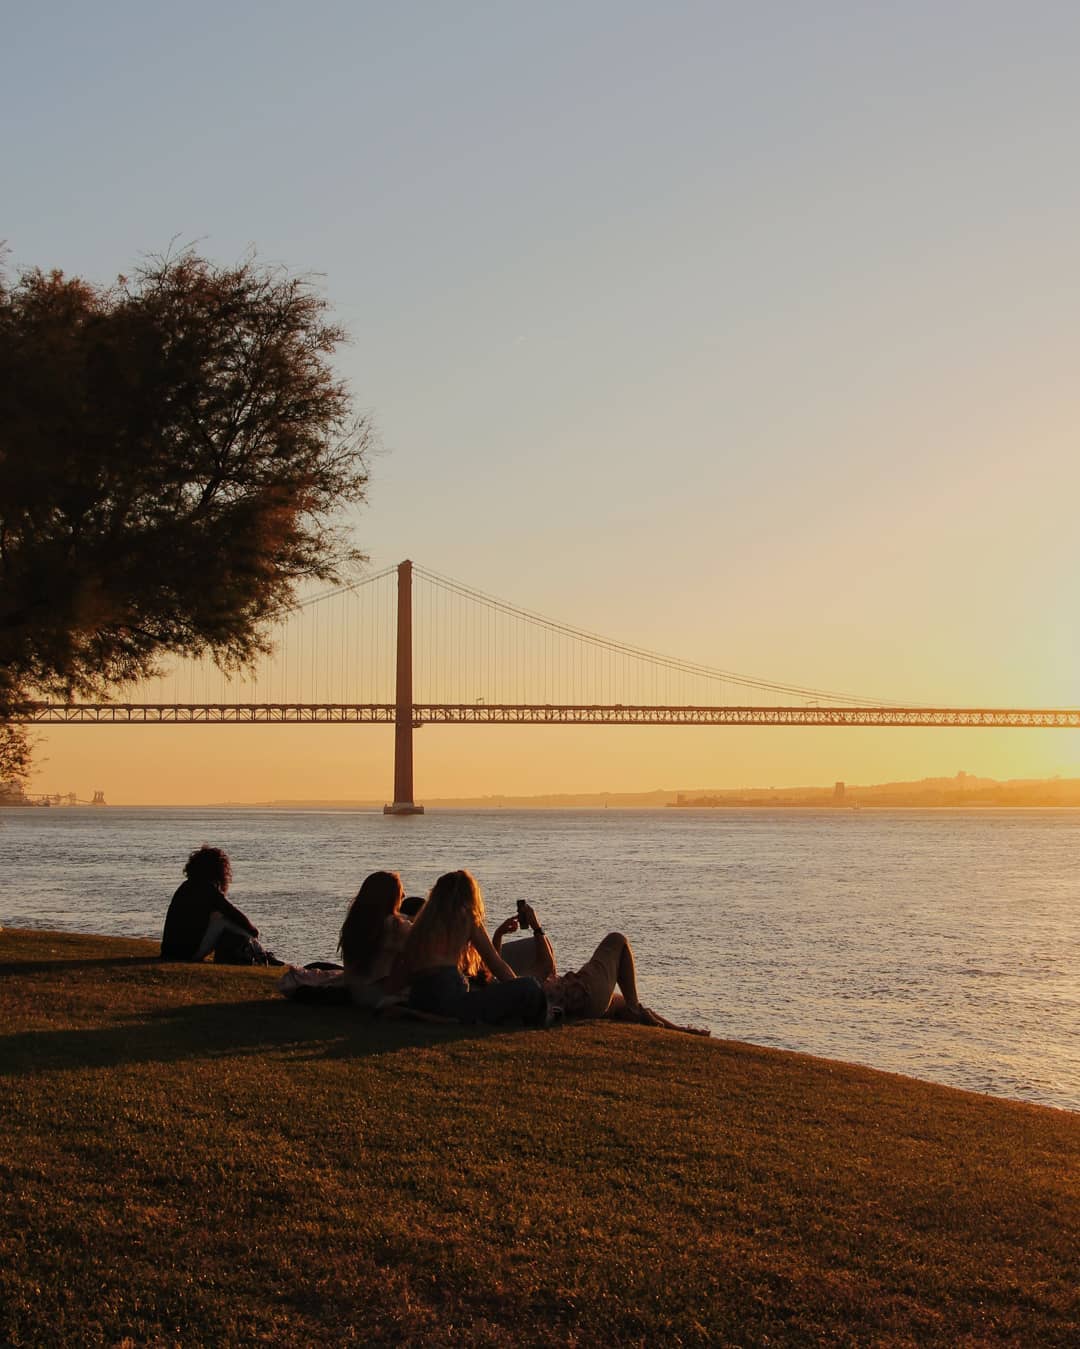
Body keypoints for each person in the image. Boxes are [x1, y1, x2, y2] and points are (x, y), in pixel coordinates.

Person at [494, 903, 709, 1035]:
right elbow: (547, 965)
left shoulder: (503, 987)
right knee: (617, 940)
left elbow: (495, 966)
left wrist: (499, 935)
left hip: (577, 1004)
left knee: (621, 1003)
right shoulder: (521, 987)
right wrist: (536, 926)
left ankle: (681, 1031)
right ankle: (636, 1010)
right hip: (581, 994)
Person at [398, 870, 552, 1026]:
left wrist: (498, 934)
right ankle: (547, 1016)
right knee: (530, 986)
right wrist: (515, 989)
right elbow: (496, 964)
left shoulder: (421, 923)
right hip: (450, 1002)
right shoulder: (467, 917)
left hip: (419, 998)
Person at [161, 845, 282, 965]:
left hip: (170, 952)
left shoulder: (186, 886)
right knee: (222, 920)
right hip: (186, 954)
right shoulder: (206, 888)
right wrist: (253, 931)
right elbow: (230, 911)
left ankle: (261, 952)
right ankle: (262, 954)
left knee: (218, 917)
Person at [337, 870, 413, 1008]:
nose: (403, 895)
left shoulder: (355, 922)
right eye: (400, 891)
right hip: (382, 995)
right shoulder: (395, 925)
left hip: (357, 993)